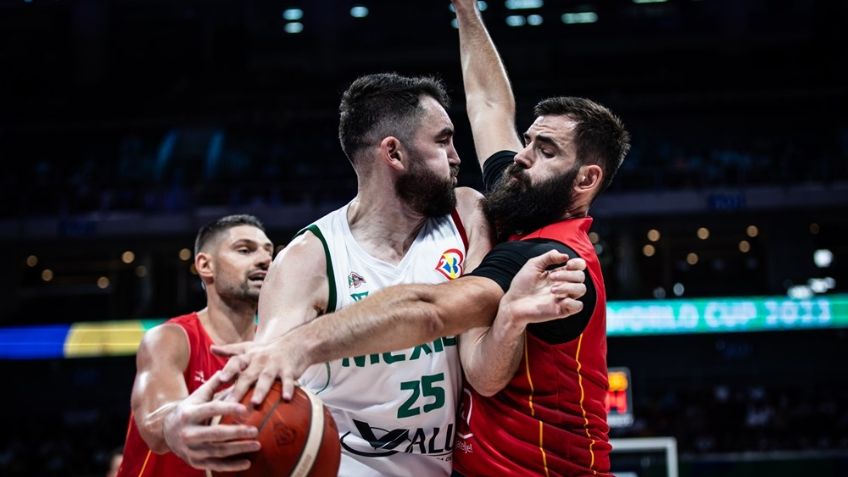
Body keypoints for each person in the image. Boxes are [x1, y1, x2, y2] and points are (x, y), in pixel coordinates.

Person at [213, 73, 587, 477]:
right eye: (443, 141)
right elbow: (264, 375)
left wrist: (511, 316)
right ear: (394, 153)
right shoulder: (308, 259)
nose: (457, 157)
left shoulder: (467, 213)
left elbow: (483, 375)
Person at [448, 1, 630, 475]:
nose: (521, 156)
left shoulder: (553, 258)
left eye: (545, 150)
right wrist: (466, 11)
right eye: (528, 141)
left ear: (585, 180)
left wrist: (479, 232)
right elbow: (489, 106)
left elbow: (475, 363)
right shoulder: (523, 198)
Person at [115, 214, 273, 476]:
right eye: (245, 250)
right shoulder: (170, 338)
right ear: (205, 265)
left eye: (269, 251)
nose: (265, 259)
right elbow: (155, 423)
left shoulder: (275, 349)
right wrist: (179, 419)